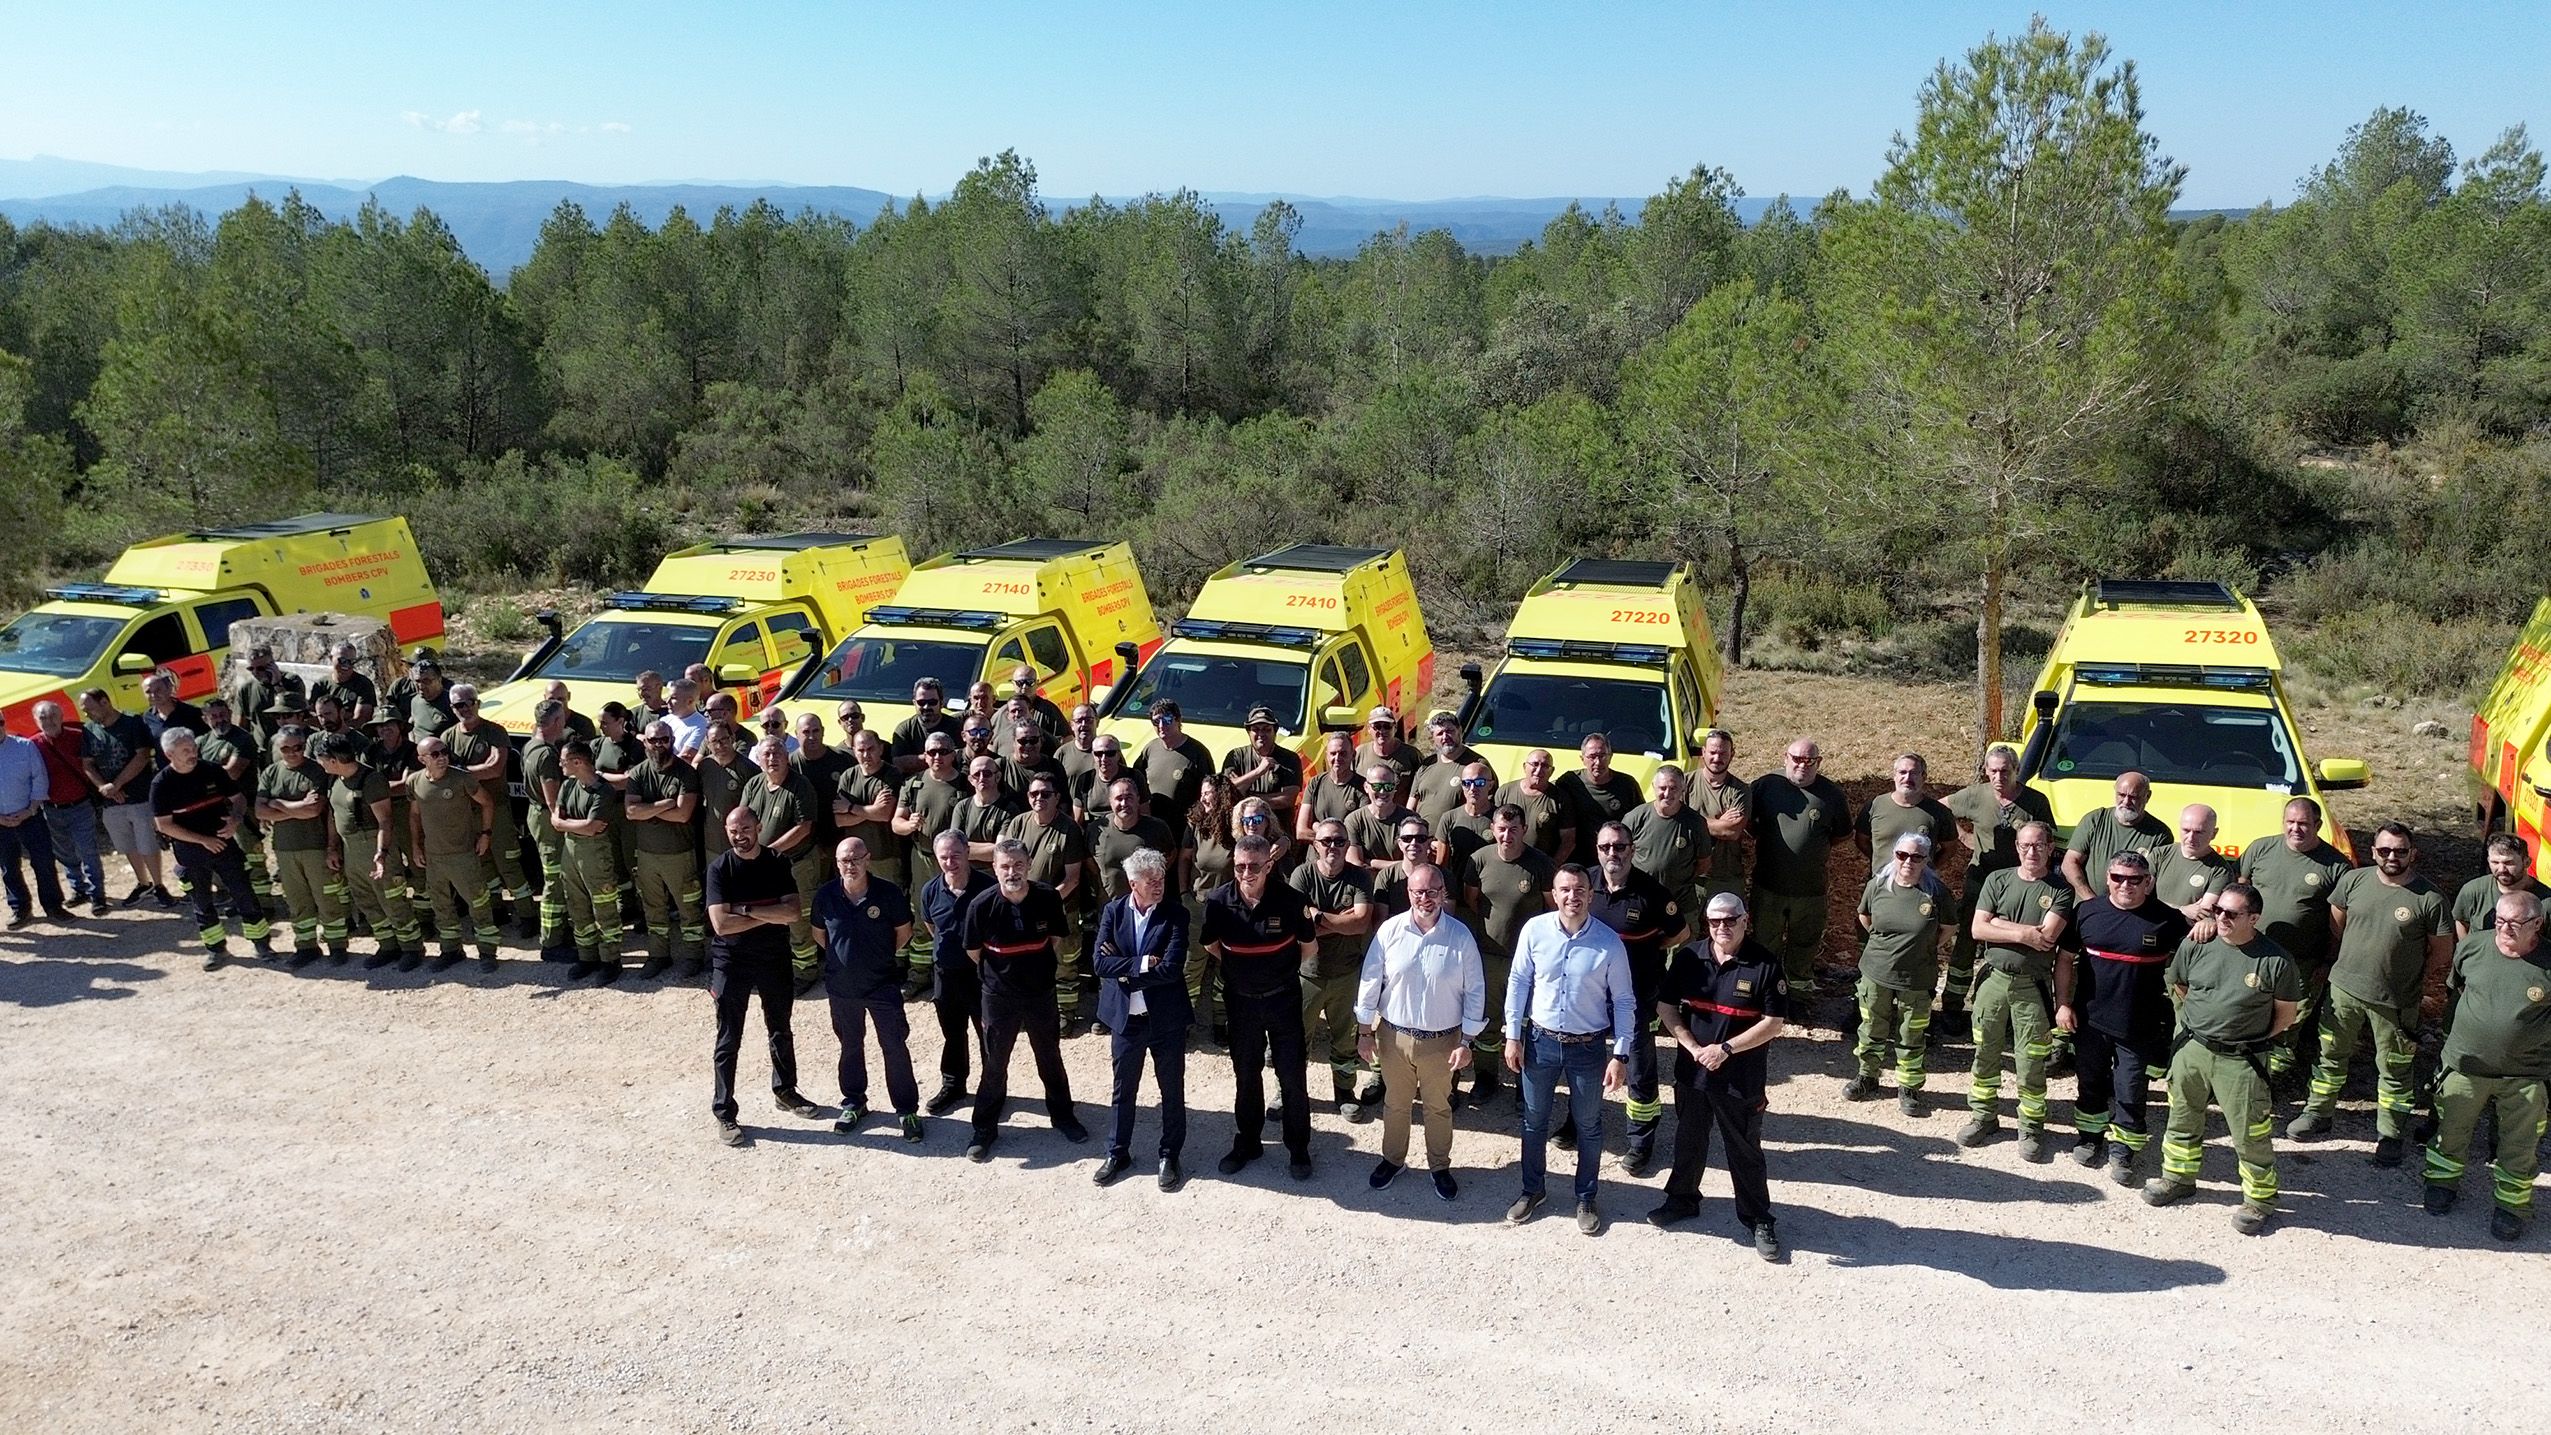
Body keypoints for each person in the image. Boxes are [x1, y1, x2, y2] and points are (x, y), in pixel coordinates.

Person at [2144, 882, 2301, 1235]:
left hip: (2242, 1059)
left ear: (2254, 918)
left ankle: (2259, 1200)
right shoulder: (2196, 944)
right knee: (2182, 1118)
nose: (2222, 918)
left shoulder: (2276, 960)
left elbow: (2286, 1015)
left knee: (2249, 1133)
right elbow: (2180, 985)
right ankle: (2178, 1178)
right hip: (2193, 1050)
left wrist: (2248, 1036)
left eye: (2231, 913)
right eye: (2218, 911)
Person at [2291, 822, 2450, 1162]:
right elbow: (2337, 922)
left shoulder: (2430, 898)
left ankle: (2390, 1134)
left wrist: (2411, 974)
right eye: (2385, 850)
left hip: (2395, 1000)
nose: (2392, 856)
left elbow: (2441, 951)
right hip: (2344, 990)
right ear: (2374, 851)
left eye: (2400, 851)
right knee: (2330, 1055)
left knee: (2395, 1068)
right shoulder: (2353, 881)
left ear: (2413, 854)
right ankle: (2318, 1113)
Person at [1648, 892, 1790, 1260]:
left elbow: (1773, 1023)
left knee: (1744, 1148)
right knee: (1688, 1139)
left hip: (1740, 1078)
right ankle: (1681, 1199)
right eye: (1714, 921)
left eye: (1730, 920)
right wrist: (1691, 1046)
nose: (1722, 927)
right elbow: (1665, 1006)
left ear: (1745, 920)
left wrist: (1725, 1049)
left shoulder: (1765, 965)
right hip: (1692, 1072)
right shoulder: (1689, 958)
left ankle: (1758, 1218)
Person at [1503, 866, 1636, 1235]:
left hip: (1587, 1048)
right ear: (1554, 893)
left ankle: (1586, 1196)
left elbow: (1624, 1000)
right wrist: (1512, 1035)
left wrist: (1620, 1054)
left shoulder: (1609, 943)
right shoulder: (1534, 931)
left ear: (1591, 895)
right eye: (1564, 889)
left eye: (1579, 890)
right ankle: (1533, 1189)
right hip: (1539, 1043)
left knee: (1589, 1125)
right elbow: (1518, 981)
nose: (1572, 896)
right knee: (1533, 1121)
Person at [2056, 848, 2189, 1183]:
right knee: (2090, 1083)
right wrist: (2063, 1004)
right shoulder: (2087, 912)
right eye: (2118, 878)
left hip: (2140, 1024)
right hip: (2090, 1021)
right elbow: (2064, 960)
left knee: (2130, 1089)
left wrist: (2208, 927)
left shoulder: (2167, 919)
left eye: (2134, 880)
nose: (2125, 885)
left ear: (2148, 882)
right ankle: (2090, 1137)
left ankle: (2124, 1149)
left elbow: (2195, 957)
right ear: (2108, 879)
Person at [2423, 890, 2550, 1243]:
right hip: (2465, 1065)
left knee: (2519, 1145)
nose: (2504, 928)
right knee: (2451, 1130)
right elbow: (2457, 988)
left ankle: (2512, 1208)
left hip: (2526, 1074)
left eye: (2515, 923)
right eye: (2499, 920)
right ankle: (2441, 1184)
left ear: (2537, 924)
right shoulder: (2472, 947)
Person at [1355, 862, 1484, 1200]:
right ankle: (1392, 1160)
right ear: (1408, 892)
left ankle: (1439, 1166)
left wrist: (1467, 1041)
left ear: (1443, 893)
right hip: (1393, 1037)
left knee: (1438, 1107)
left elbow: (1475, 991)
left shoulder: (1460, 936)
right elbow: (1371, 980)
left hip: (1442, 1041)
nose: (1424, 898)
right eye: (1418, 891)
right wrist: (1365, 1031)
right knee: (1395, 1104)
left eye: (1432, 891)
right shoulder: (1389, 931)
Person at [1200, 834, 1318, 1179]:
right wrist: (1243, 970)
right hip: (1241, 1003)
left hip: (1283, 1000)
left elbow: (1309, 947)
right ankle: (1249, 1142)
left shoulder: (1292, 900)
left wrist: (1275, 971)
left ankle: (1298, 1149)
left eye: (1254, 866)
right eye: (1240, 866)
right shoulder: (1218, 902)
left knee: (1292, 1077)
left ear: (1269, 865)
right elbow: (1211, 945)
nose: (1246, 873)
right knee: (1246, 1074)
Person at [705, 806, 823, 1146]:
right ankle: (724, 1112)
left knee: (780, 1028)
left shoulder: (777, 862)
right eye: (733, 830)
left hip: (773, 957)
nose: (739, 835)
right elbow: (721, 924)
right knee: (729, 1038)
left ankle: (785, 1091)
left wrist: (744, 910)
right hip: (731, 961)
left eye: (745, 828)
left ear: (758, 827)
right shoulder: (720, 869)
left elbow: (793, 912)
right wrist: (769, 914)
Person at [963, 838, 1088, 1159]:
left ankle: (1063, 1116)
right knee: (995, 1062)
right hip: (998, 998)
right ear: (994, 868)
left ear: (1029, 865)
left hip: (1040, 994)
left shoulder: (1048, 897)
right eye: (1005, 866)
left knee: (1050, 1057)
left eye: (1018, 864)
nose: (1012, 872)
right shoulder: (981, 905)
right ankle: (985, 1128)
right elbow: (973, 951)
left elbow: (1055, 938)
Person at [1959, 822, 2074, 1158]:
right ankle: (1983, 1116)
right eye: (2025, 845)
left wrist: (1998, 923)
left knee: (2031, 1060)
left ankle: (2031, 1126)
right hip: (1993, 981)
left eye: (2038, 845)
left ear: (2050, 848)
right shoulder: (1998, 879)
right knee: (1985, 1051)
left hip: (2031, 987)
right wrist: (2023, 933)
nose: (2031, 852)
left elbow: (2047, 937)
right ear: (2017, 847)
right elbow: (1977, 929)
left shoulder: (2061, 890)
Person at [1091, 846, 1192, 1191]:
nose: (1158, 885)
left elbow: (1171, 969)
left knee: (1172, 1090)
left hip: (1165, 1020)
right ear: (1133, 883)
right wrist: (1143, 963)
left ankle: (1170, 1155)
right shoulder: (1113, 912)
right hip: (1126, 1020)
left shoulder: (1176, 915)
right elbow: (1099, 964)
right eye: (1151, 880)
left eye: (1161, 878)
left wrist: (1123, 971)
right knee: (1123, 1090)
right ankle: (1117, 1152)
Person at [1587, 821, 1686, 1170]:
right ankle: (1578, 1122)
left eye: (1619, 847)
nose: (1612, 853)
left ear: (1632, 849)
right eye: (1605, 847)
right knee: (1585, 1061)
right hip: (1591, 996)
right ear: (1597, 850)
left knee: (1639, 1068)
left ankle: (1640, 1141)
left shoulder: (1652, 892)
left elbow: (1680, 933)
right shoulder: (1585, 885)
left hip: (1637, 995)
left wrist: (1649, 951)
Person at [812, 837, 923, 1143]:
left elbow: (903, 932)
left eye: (856, 859)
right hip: (842, 988)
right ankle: (854, 1102)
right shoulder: (825, 895)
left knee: (894, 1046)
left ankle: (906, 1109)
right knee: (850, 1045)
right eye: (844, 860)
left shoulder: (888, 893)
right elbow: (820, 935)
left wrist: (876, 959)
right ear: (837, 863)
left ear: (867, 859)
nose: (850, 865)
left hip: (882, 985)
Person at [1941, 744, 2054, 1039]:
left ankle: (2011, 1007)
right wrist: (1963, 836)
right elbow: (1940, 808)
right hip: (1981, 879)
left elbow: (2048, 837)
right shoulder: (1975, 795)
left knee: (2014, 940)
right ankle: (1953, 1006)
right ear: (1986, 771)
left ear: (2016, 770)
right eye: (1993, 771)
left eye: (2005, 771)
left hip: (2020, 883)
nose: (1999, 777)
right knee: (1967, 940)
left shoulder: (2034, 801)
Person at [2238, 797, 2353, 1077]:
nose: (2295, 829)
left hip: (2302, 960)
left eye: (2303, 823)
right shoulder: (2261, 849)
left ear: (2318, 825)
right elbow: (2239, 891)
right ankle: (2244, 1061)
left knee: (2290, 1017)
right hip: (2253, 952)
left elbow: (2341, 921)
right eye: (2290, 822)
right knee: (2248, 1006)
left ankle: (2273, 1072)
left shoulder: (2336, 866)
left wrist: (2329, 960)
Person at [1459, 804, 1557, 1109]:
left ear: (1524, 830)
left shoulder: (1541, 865)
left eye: (1514, 829)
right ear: (1493, 829)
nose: (1507, 835)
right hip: (1489, 956)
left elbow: (1552, 909)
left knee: (1527, 1024)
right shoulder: (1479, 860)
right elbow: (1472, 900)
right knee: (1487, 1021)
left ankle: (1523, 1084)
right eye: (1501, 829)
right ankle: (1486, 1078)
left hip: (1528, 961)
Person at [1849, 832, 1953, 1117]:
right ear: (1894, 855)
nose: (1908, 861)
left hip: (1916, 978)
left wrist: (1925, 945)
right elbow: (1865, 916)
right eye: (1902, 855)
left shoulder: (1936, 892)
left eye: (1916, 857)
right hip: (1876, 973)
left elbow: (1949, 927)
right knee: (1871, 1028)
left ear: (1926, 860)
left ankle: (1909, 1087)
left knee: (1911, 1034)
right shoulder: (1877, 885)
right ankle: (1867, 1076)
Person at [150, 729, 270, 968]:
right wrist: (203, 840)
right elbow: (164, 825)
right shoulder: (161, 784)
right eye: (186, 750)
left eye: (193, 748)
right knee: (202, 903)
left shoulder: (212, 770)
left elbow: (238, 799)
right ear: (169, 754)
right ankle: (216, 950)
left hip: (225, 845)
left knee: (245, 894)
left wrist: (235, 819)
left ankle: (262, 944)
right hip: (191, 853)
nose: (192, 753)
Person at [1746, 738, 1849, 1013]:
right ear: (1785, 757)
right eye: (1797, 759)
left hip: (1811, 890)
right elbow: (1748, 824)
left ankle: (1798, 997)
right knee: (1764, 943)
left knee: (1804, 946)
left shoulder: (1831, 795)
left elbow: (1841, 835)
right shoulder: (1765, 786)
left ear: (1819, 762)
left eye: (1809, 760)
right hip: (1768, 886)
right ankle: (1765, 997)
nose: (1802, 765)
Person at [1292, 818, 1376, 1118]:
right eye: (1326, 841)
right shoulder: (1302, 874)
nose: (1333, 847)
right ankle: (1288, 1091)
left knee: (1345, 1040)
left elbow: (1362, 923)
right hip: (1307, 973)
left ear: (1347, 845)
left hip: (1346, 974)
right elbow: (1297, 925)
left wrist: (1317, 917)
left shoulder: (1359, 877)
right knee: (1296, 1038)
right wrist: (1342, 920)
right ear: (1315, 845)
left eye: (1339, 841)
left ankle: (1344, 1091)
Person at [317, 733, 421, 971]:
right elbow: (333, 815)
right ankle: (387, 945)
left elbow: (385, 821)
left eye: (322, 759)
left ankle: (412, 948)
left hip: (373, 845)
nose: (320, 764)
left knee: (392, 900)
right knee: (366, 901)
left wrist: (381, 853)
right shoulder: (335, 780)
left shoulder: (371, 780)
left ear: (333, 760)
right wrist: (332, 848)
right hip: (351, 849)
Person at [1000, 772, 1091, 1030]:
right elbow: (1006, 863)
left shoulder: (1069, 830)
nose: (1039, 798)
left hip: (1059, 909)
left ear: (1057, 797)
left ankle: (1066, 1014)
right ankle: (1027, 1011)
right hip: (1021, 907)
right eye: (1034, 793)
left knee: (1064, 962)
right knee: (1025, 961)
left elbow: (1072, 879)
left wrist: (1042, 902)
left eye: (1046, 793)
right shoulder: (1018, 823)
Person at [405, 732, 502, 972]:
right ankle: (451, 949)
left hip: (463, 855)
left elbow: (487, 802)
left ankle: (487, 952)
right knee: (441, 905)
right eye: (435, 754)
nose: (442, 758)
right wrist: (416, 846)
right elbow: (414, 815)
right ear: (422, 759)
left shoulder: (461, 779)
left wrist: (486, 834)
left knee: (478, 902)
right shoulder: (415, 782)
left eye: (445, 752)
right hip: (434, 857)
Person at [444, 684, 536, 934]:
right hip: (466, 811)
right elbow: (441, 771)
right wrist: (470, 773)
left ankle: (527, 914)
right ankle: (497, 910)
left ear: (478, 703)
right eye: (459, 705)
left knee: (509, 864)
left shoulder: (494, 732)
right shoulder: (448, 737)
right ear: (452, 708)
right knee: (482, 865)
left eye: (469, 702)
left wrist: (460, 772)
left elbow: (495, 768)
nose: (465, 708)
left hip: (497, 810)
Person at [918, 831, 994, 1115]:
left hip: (982, 976)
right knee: (952, 1033)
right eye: (944, 857)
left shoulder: (989, 888)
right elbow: (932, 927)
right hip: (946, 975)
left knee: (988, 1035)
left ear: (968, 853)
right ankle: (953, 1085)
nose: (950, 863)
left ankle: (993, 1089)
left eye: (956, 856)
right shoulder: (930, 891)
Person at [255, 725, 345, 965]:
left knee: (327, 898)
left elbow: (314, 810)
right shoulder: (271, 772)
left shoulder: (316, 771)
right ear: (278, 748)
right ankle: (306, 946)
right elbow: (260, 811)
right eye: (286, 748)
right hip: (284, 848)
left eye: (298, 747)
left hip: (315, 846)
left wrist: (277, 804)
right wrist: (297, 807)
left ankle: (337, 945)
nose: (293, 752)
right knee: (297, 901)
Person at [625, 719, 708, 979]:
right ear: (645, 742)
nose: (659, 745)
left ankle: (694, 956)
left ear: (672, 741)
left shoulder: (685, 773)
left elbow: (683, 814)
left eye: (664, 739)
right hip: (647, 855)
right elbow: (630, 811)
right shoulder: (639, 773)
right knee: (653, 908)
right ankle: (658, 955)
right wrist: (665, 804)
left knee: (688, 908)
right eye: (653, 740)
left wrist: (647, 810)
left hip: (679, 854)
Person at [741, 734, 822, 992]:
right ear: (759, 759)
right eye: (766, 754)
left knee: (798, 919)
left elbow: (803, 827)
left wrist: (768, 852)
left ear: (787, 756)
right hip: (762, 867)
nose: (772, 758)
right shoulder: (753, 784)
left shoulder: (800, 785)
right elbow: (743, 818)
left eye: (777, 753)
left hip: (796, 864)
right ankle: (773, 968)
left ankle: (805, 971)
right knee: (766, 917)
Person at [79, 688, 173, 907]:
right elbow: (87, 764)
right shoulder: (89, 730)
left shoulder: (132, 722)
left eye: (89, 708)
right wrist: (104, 787)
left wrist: (117, 784)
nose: (86, 714)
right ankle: (143, 883)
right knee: (127, 844)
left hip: (139, 794)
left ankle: (159, 885)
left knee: (147, 843)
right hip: (110, 800)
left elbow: (142, 756)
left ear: (105, 702)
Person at [891, 733, 969, 992]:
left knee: (959, 913)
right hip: (923, 858)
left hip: (956, 861)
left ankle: (958, 969)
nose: (937, 756)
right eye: (932, 752)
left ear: (953, 754)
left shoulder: (965, 783)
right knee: (922, 914)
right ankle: (919, 974)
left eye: (943, 751)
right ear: (924, 755)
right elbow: (896, 823)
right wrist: (908, 825)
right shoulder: (913, 783)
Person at [550, 740, 626, 983]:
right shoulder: (568, 785)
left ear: (578, 761)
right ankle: (587, 956)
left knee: (603, 907)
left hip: (595, 854)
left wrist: (567, 824)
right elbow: (556, 820)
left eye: (563, 761)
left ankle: (611, 960)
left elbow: (593, 827)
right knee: (577, 906)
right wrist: (575, 825)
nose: (560, 765)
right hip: (570, 852)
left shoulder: (603, 791)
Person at [29, 702, 107, 915]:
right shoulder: (32, 746)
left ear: (62, 716)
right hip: (50, 809)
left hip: (80, 805)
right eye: (43, 717)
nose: (49, 721)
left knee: (88, 850)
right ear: (35, 721)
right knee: (64, 853)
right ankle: (78, 889)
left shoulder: (78, 737)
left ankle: (97, 895)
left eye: (53, 715)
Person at [0, 722, 71, 929]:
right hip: (0, 823)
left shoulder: (25, 746)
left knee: (43, 862)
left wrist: (30, 810)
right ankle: (20, 908)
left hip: (30, 816)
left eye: (0, 723)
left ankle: (53, 906)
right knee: (8, 868)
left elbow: (39, 778)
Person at [520, 700, 575, 961]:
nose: (564, 722)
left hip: (536, 813)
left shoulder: (531, 745)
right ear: (555, 722)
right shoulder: (547, 755)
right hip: (547, 818)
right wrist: (564, 821)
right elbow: (552, 800)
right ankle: (551, 941)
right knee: (555, 880)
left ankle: (559, 930)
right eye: (561, 718)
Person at [2060, 772, 2170, 901]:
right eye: (2121, 795)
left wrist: (2122, 906)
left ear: (2147, 796)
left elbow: (2151, 880)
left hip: (2131, 907)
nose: (2126, 802)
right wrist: (2091, 901)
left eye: (2133, 797)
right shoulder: (2095, 820)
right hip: (2088, 904)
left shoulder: (2160, 834)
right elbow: (2070, 863)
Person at [1623, 764, 1710, 919]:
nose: (1667, 794)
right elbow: (1621, 855)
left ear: (1683, 789)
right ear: (1654, 787)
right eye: (1662, 788)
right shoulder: (1635, 818)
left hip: (1680, 903)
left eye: (1673, 788)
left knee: (1685, 934)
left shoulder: (1696, 823)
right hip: (1641, 900)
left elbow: (1703, 863)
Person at [1554, 734, 1643, 866]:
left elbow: (1641, 824)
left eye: (1602, 756)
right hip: (1577, 863)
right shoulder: (1569, 782)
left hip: (1614, 861)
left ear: (1610, 757)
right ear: (1582, 759)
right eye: (1592, 757)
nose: (1597, 762)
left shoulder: (1627, 785)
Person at [1135, 699, 1214, 831]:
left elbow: (1209, 792)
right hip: (1154, 826)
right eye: (1156, 721)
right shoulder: (1150, 749)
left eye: (1167, 720)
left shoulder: (1197, 752)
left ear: (1178, 720)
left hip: (1185, 828)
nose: (1161, 726)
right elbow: (1136, 781)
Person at [2455, 834, 2548, 939]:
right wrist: (2468, 947)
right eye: (2495, 862)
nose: (2501, 869)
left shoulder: (2546, 903)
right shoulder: (2473, 891)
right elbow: (2461, 922)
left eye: (2508, 863)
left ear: (2527, 862)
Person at [1220, 705, 1303, 818]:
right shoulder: (1236, 756)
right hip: (1241, 824)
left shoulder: (1290, 759)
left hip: (1278, 826)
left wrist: (1244, 797)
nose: (1261, 734)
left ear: (1275, 731)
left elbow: (1287, 800)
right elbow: (1226, 792)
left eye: (1266, 729)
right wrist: (1258, 771)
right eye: (1256, 729)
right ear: (1248, 732)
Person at [1408, 710, 1486, 828]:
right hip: (1422, 836)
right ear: (1433, 738)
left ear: (1459, 731)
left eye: (1450, 731)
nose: (1445, 737)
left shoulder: (1477, 765)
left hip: (1458, 835)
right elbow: (1411, 805)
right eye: (1440, 733)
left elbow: (1485, 806)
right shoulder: (1426, 765)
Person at [1496, 748, 1572, 859]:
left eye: (1545, 766)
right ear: (1524, 766)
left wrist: (1553, 865)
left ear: (1552, 771)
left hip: (1542, 865)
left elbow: (1568, 840)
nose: (1539, 770)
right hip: (1506, 862)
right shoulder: (1505, 791)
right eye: (1535, 764)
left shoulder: (1560, 798)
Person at [1296, 732, 1365, 844]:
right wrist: (1336, 840)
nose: (1337, 758)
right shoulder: (1315, 783)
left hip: (1347, 854)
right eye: (1333, 753)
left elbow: (1360, 833)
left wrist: (1318, 829)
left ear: (1353, 755)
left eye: (1343, 754)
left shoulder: (1363, 787)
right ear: (1327, 755)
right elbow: (1301, 832)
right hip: (1316, 854)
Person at [952, 754, 1023, 862]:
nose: (982, 778)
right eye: (977, 774)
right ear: (971, 779)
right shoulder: (962, 807)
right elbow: (953, 847)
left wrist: (965, 849)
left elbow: (1002, 852)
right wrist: (991, 847)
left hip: (995, 872)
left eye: (987, 774)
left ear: (997, 777)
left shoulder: (1009, 809)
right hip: (966, 870)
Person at [230, 645, 306, 740]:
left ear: (272, 665)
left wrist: (277, 684)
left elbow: (295, 711)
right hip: (261, 746)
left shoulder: (292, 681)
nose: (255, 672)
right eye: (251, 669)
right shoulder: (246, 688)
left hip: (290, 743)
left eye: (260, 668)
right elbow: (240, 723)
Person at [890, 677, 964, 774]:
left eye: (932, 702)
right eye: (921, 702)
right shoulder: (905, 729)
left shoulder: (956, 727)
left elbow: (961, 758)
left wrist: (918, 760)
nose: (926, 707)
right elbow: (897, 763)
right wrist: (940, 757)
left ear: (941, 703)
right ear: (914, 703)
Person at [1342, 762, 1409, 869]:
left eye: (1388, 786)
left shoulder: (1409, 820)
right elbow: (1355, 864)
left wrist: (1370, 862)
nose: (1382, 791)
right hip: (1366, 879)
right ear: (1366, 787)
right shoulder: (1354, 820)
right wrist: (1400, 864)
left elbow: (1416, 862)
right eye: (1376, 786)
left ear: (1394, 788)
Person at [1438, 761, 1499, 870]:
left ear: (1490, 785)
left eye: (1479, 782)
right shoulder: (1448, 818)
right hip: (1457, 879)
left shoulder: (1499, 818)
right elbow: (1441, 863)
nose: (1472, 788)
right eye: (1467, 783)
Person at [310, 644, 378, 727]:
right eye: (342, 660)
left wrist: (335, 724)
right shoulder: (321, 684)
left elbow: (361, 720)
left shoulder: (363, 684)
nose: (347, 665)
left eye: (352, 661)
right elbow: (313, 715)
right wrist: (344, 715)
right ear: (331, 658)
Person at [1359, 707, 1422, 788]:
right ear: (1369, 729)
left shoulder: (1411, 755)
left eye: (1387, 726)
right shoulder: (1359, 754)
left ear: (1395, 728)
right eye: (1377, 726)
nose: (1382, 731)